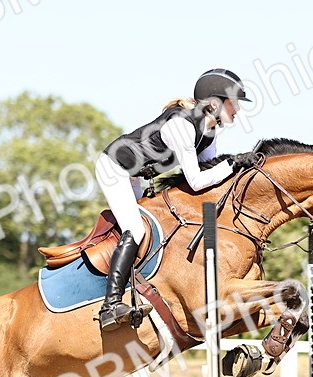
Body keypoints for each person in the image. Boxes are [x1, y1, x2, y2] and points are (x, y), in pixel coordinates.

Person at [94, 68, 262, 331]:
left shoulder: (209, 132)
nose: (237, 109)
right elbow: (195, 181)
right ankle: (110, 306)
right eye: (233, 102)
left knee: (155, 231)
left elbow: (210, 173)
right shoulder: (182, 125)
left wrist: (239, 168)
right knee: (136, 230)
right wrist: (233, 162)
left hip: (137, 176)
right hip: (115, 169)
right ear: (215, 102)